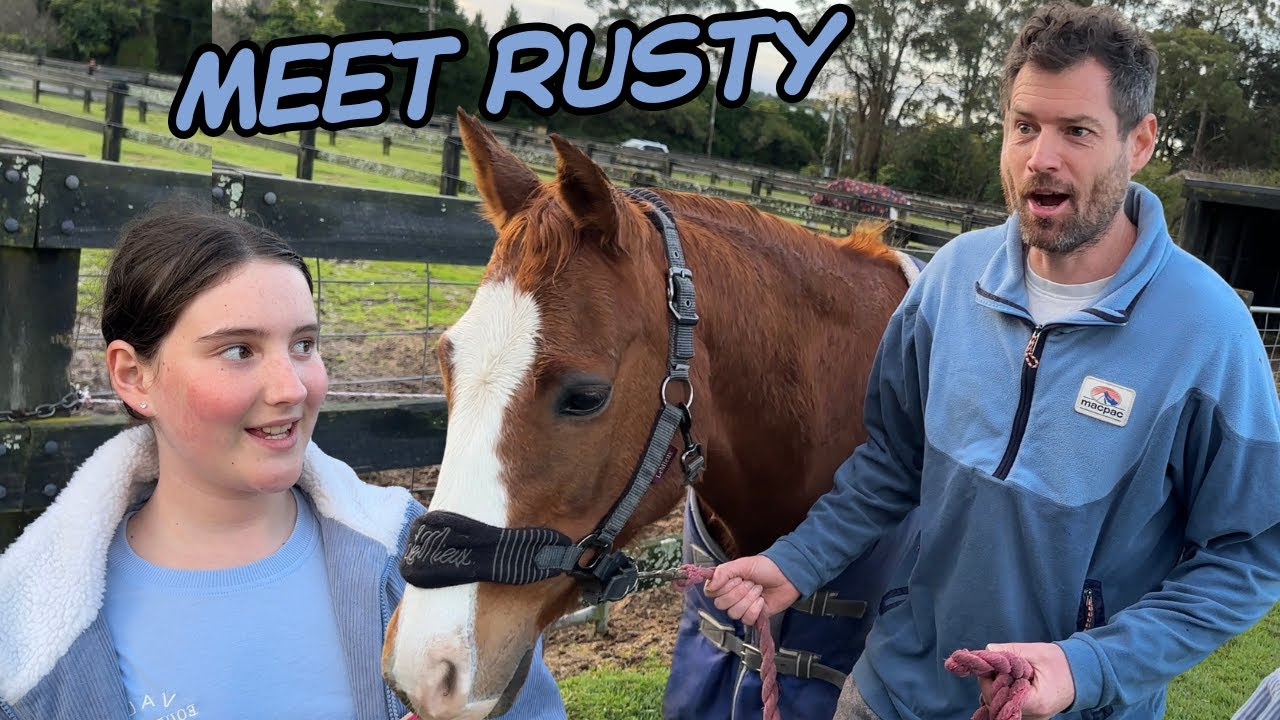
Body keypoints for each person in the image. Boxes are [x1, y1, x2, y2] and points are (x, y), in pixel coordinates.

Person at [705, 4, 1280, 719]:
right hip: (894, 692)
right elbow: (893, 460)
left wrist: (1086, 666)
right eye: (1024, 126)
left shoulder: (1209, 331)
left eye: (1077, 131)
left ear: (1139, 142)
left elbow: (1248, 556)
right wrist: (797, 559)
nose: (1041, 157)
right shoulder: (951, 279)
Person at [0, 204, 566, 720]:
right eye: (239, 350)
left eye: (303, 344)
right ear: (132, 375)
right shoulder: (28, 638)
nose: (292, 387)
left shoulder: (415, 563)